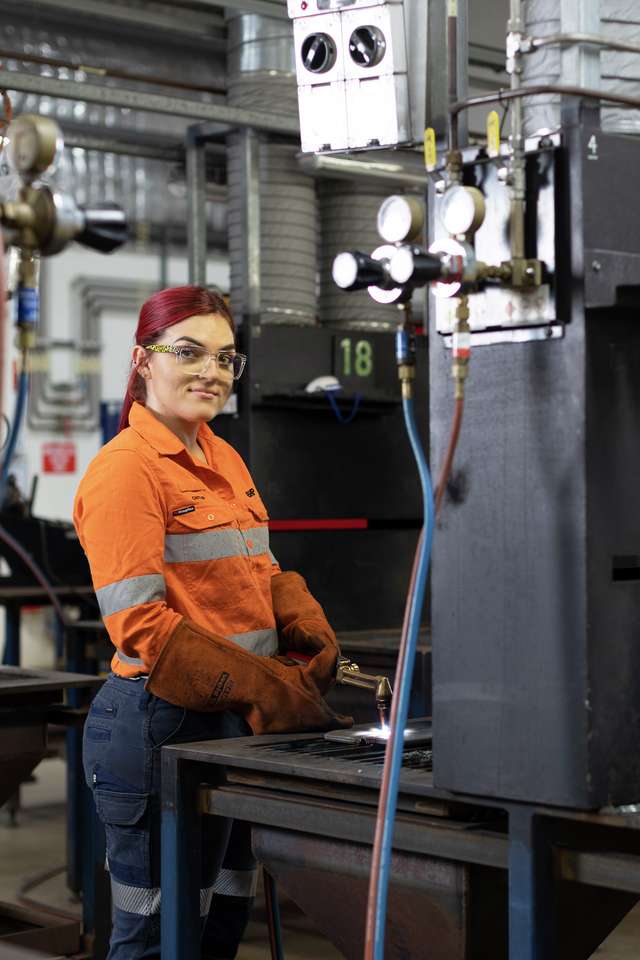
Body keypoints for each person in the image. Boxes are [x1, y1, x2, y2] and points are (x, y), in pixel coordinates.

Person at [74, 285, 349, 960]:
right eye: (189, 352)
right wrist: (263, 687)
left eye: (226, 359)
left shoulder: (220, 455)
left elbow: (258, 566)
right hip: (158, 728)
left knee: (225, 918)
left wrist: (301, 621)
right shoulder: (126, 472)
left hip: (231, 725)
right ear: (143, 360)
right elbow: (140, 623)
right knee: (158, 935)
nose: (212, 373)